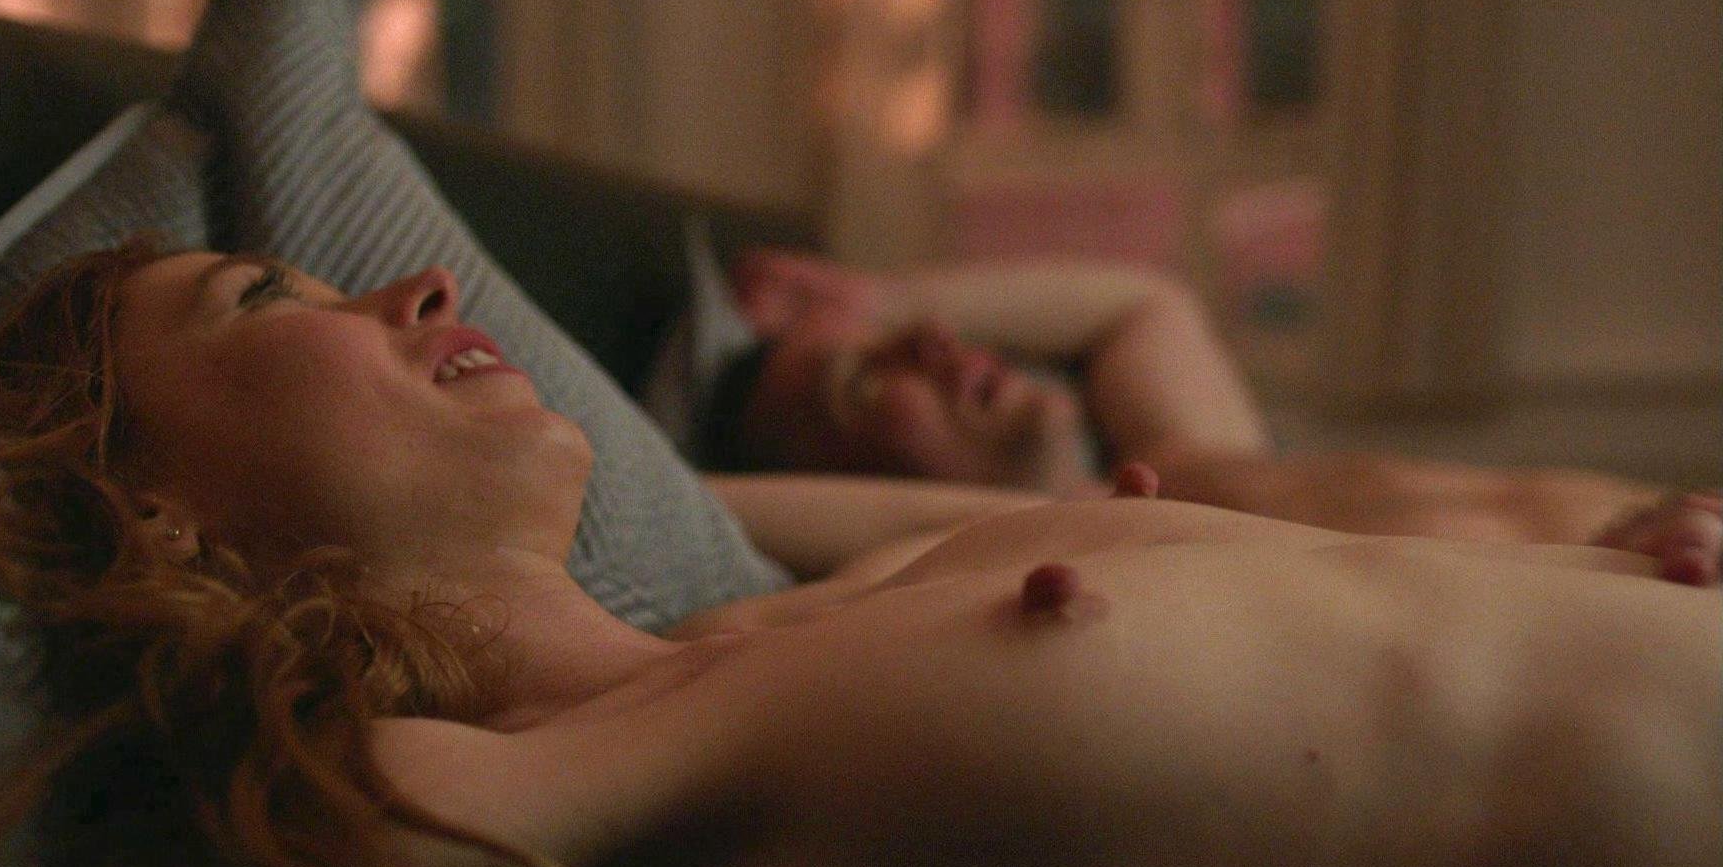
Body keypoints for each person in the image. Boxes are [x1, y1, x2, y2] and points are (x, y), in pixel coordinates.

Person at [0, 242, 1718, 867]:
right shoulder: (523, 781)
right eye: (263, 302)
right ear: (161, 511)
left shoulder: (857, 602)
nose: (415, 284)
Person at [689, 249, 1672, 548]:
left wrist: (880, 299)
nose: (936, 341)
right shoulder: (1033, 547)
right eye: (866, 381)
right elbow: (715, 507)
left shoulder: (1182, 458)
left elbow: (1143, 305)